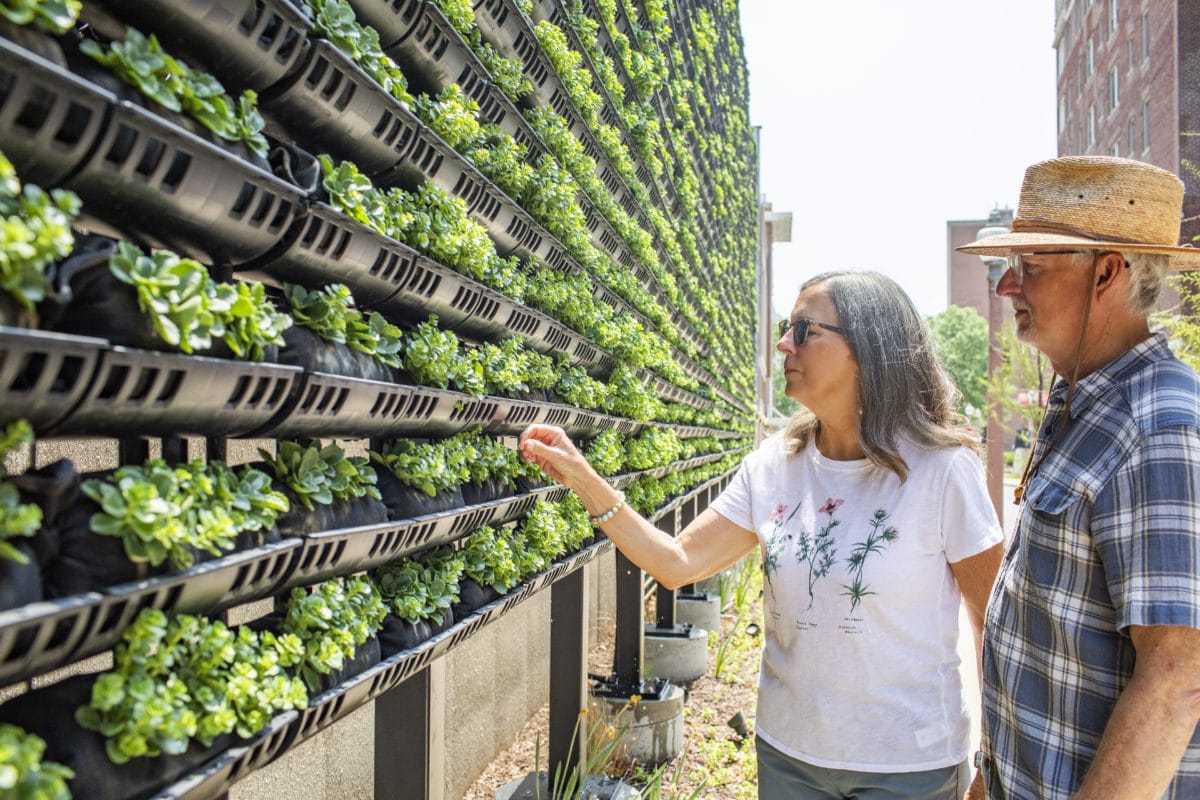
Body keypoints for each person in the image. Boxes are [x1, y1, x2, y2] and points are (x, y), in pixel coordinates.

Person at [519, 271, 1004, 800]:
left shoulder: (943, 470)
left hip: (911, 766)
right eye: (785, 326)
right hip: (789, 756)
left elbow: (995, 626)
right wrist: (583, 479)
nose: (783, 343)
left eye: (804, 329)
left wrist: (991, 759)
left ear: (866, 347)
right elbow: (677, 562)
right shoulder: (774, 466)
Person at [956, 155, 1200, 800]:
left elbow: (1179, 677)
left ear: (1108, 273)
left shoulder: (1160, 425)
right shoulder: (1083, 403)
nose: (1008, 286)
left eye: (1030, 267)